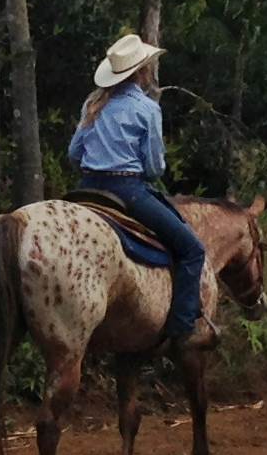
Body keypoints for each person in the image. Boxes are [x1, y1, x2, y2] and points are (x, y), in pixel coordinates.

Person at [69, 32, 204, 353]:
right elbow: (155, 168)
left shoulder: (92, 103)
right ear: (142, 72)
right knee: (192, 250)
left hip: (85, 189)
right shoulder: (146, 108)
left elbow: (74, 153)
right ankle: (182, 329)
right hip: (127, 190)